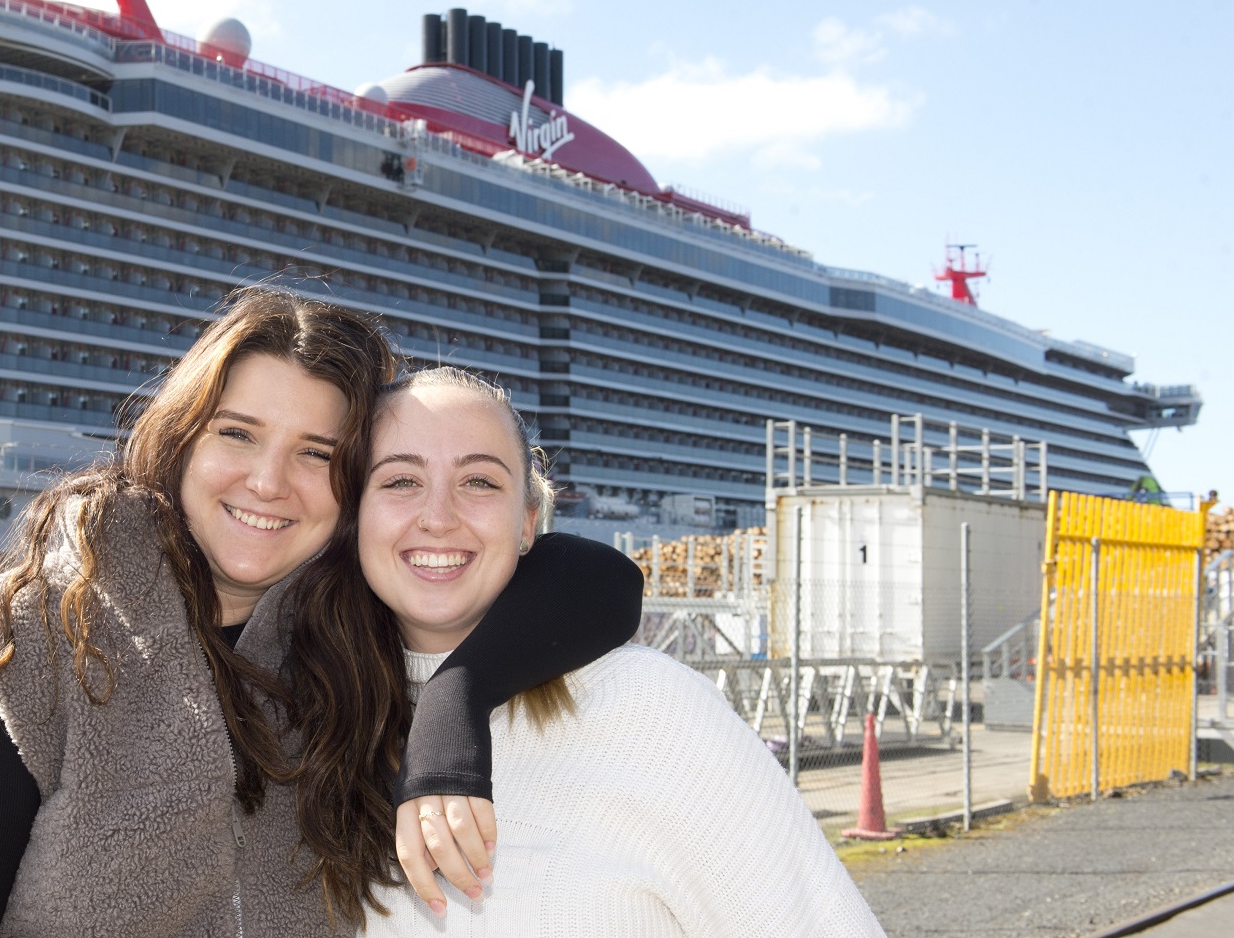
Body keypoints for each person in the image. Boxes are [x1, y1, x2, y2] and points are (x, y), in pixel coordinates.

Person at [0, 290, 641, 937]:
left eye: (316, 452)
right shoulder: (27, 648)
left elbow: (601, 581)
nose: (269, 481)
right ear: (180, 441)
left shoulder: (350, 644)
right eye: (237, 433)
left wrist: (453, 702)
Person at [297, 367, 885, 935]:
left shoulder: (657, 715)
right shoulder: (308, 724)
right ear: (353, 516)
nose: (438, 516)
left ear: (528, 523)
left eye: (479, 481)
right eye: (401, 480)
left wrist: (457, 691)